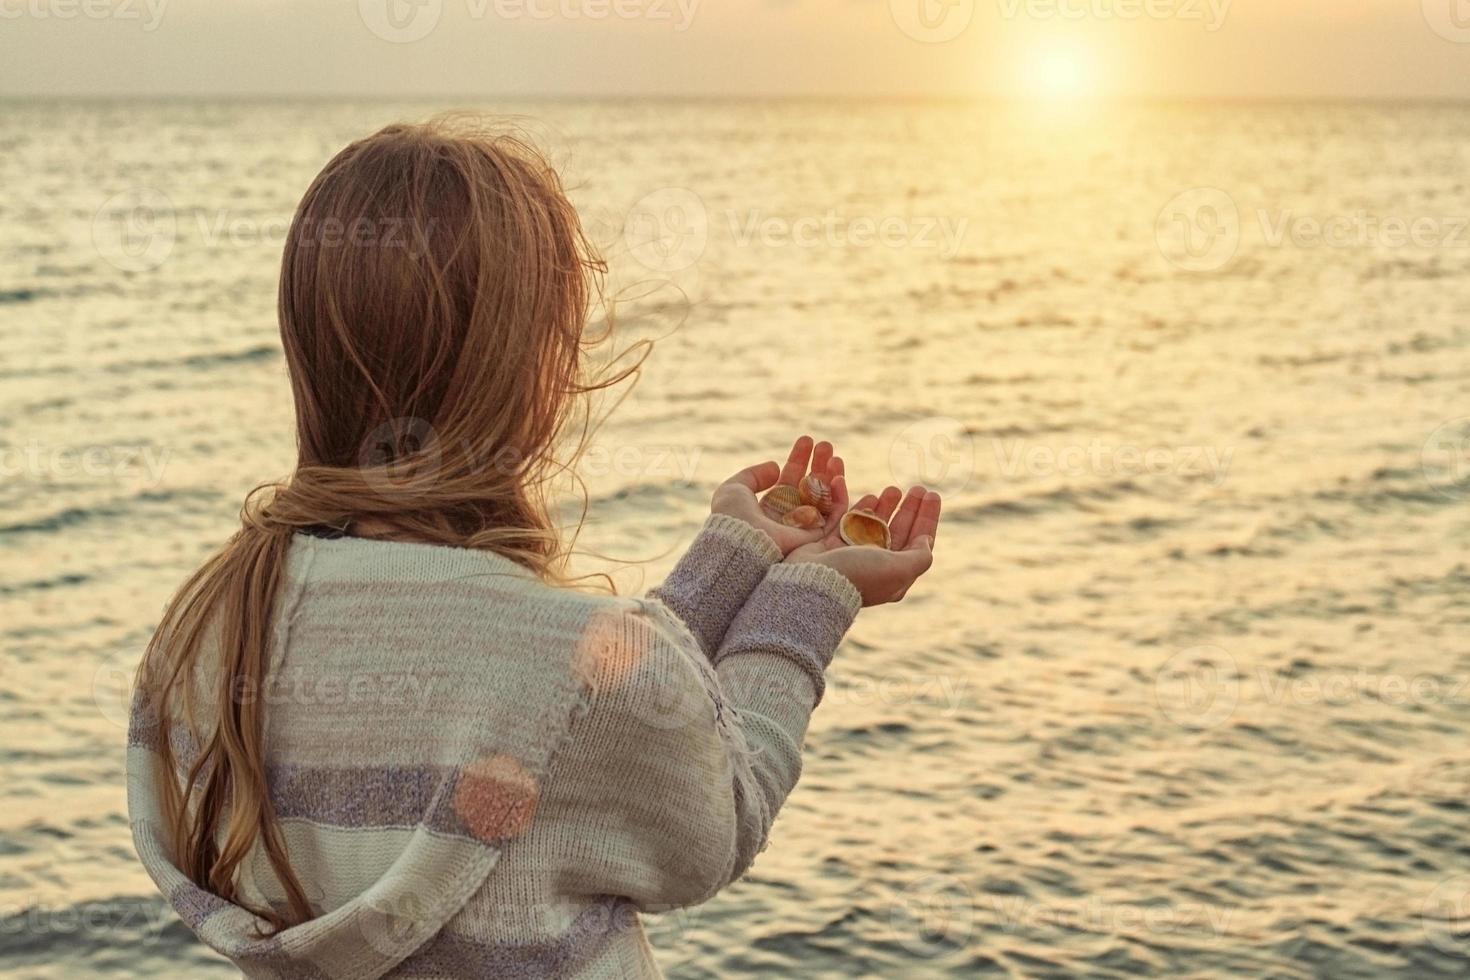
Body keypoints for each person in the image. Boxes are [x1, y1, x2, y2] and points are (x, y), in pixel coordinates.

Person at [127, 119, 942, 978]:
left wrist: (734, 557)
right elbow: (718, 813)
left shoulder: (206, 630)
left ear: (310, 346)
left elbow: (574, 695)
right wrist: (805, 601)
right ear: (535, 374)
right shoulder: (545, 662)